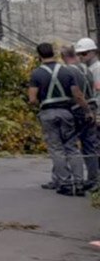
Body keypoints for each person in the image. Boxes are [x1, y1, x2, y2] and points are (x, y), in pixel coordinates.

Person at [29, 43, 92, 196]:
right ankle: (78, 182)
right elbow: (77, 95)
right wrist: (87, 111)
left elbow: (32, 99)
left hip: (48, 114)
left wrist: (42, 103)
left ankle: (64, 183)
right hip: (66, 113)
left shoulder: (37, 74)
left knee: (56, 149)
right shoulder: (66, 71)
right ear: (54, 53)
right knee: (72, 147)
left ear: (39, 56)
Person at [70, 39, 100, 191]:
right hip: (93, 111)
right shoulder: (87, 69)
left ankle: (95, 180)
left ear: (93, 52)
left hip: (96, 111)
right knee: (91, 146)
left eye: (84, 53)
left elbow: (98, 94)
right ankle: (94, 178)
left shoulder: (97, 69)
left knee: (93, 147)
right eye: (79, 54)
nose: (81, 56)